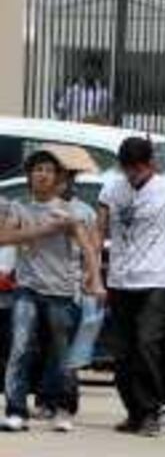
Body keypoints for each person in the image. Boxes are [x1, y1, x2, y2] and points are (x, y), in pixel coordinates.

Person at [1, 149, 104, 433]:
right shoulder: (18, 208)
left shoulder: (70, 212)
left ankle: (63, 409)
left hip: (61, 291)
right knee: (19, 347)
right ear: (29, 176)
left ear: (57, 177)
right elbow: (4, 237)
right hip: (27, 288)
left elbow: (88, 248)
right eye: (37, 170)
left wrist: (95, 280)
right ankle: (16, 410)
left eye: (48, 170)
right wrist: (43, 231)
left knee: (61, 354)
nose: (42, 174)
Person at [97, 137, 165, 437]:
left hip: (156, 279)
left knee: (147, 342)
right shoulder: (111, 188)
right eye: (127, 170)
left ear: (150, 164)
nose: (132, 175)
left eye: (138, 169)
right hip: (120, 280)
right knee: (123, 351)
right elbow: (97, 231)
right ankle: (134, 412)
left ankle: (152, 410)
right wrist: (93, 275)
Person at [55, 55, 111, 124]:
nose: (90, 72)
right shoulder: (73, 90)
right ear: (84, 70)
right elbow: (61, 109)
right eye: (88, 69)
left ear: (99, 72)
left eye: (94, 69)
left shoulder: (104, 93)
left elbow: (105, 114)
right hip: (74, 129)